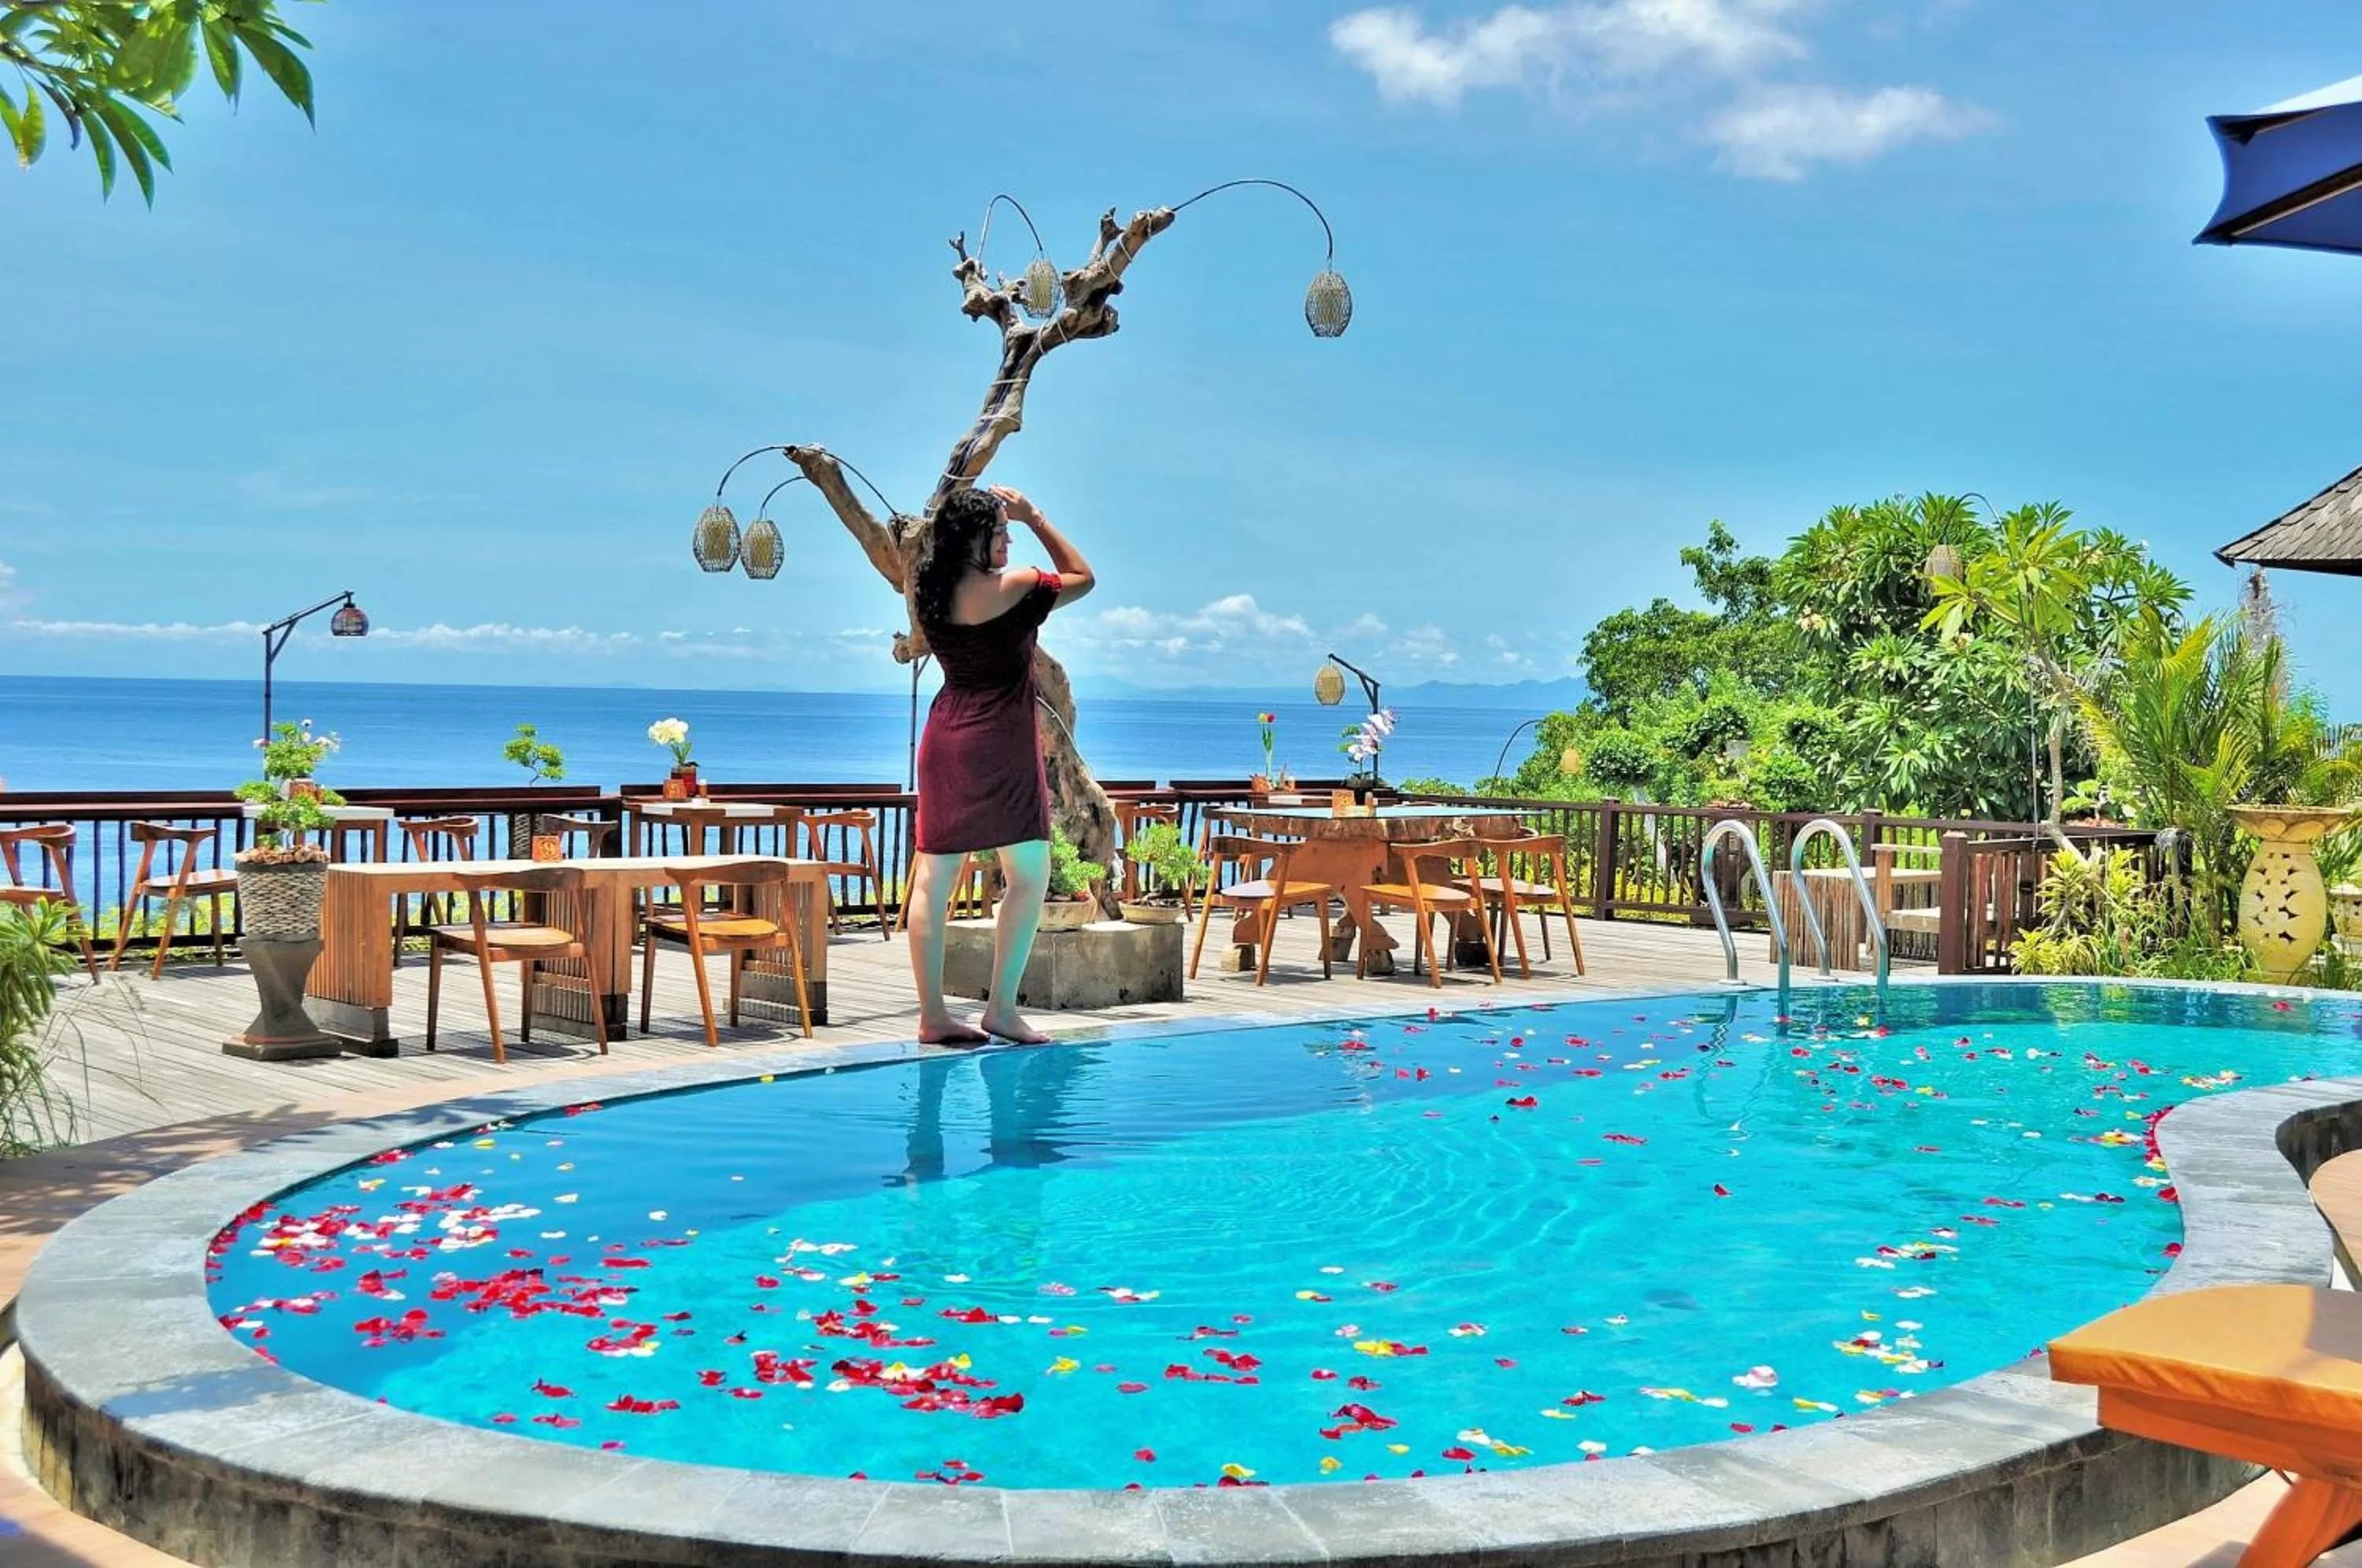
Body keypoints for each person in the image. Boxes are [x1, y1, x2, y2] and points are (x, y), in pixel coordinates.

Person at [906, 483, 1094, 1045]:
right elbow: (1083, 577)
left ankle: (933, 1016)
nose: (1009, 538)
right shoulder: (1016, 587)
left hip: (945, 739)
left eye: (1011, 529)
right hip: (1002, 743)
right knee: (1030, 877)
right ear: (974, 539)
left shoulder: (928, 593)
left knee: (933, 880)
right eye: (1000, 531)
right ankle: (1002, 1009)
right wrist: (1037, 515)